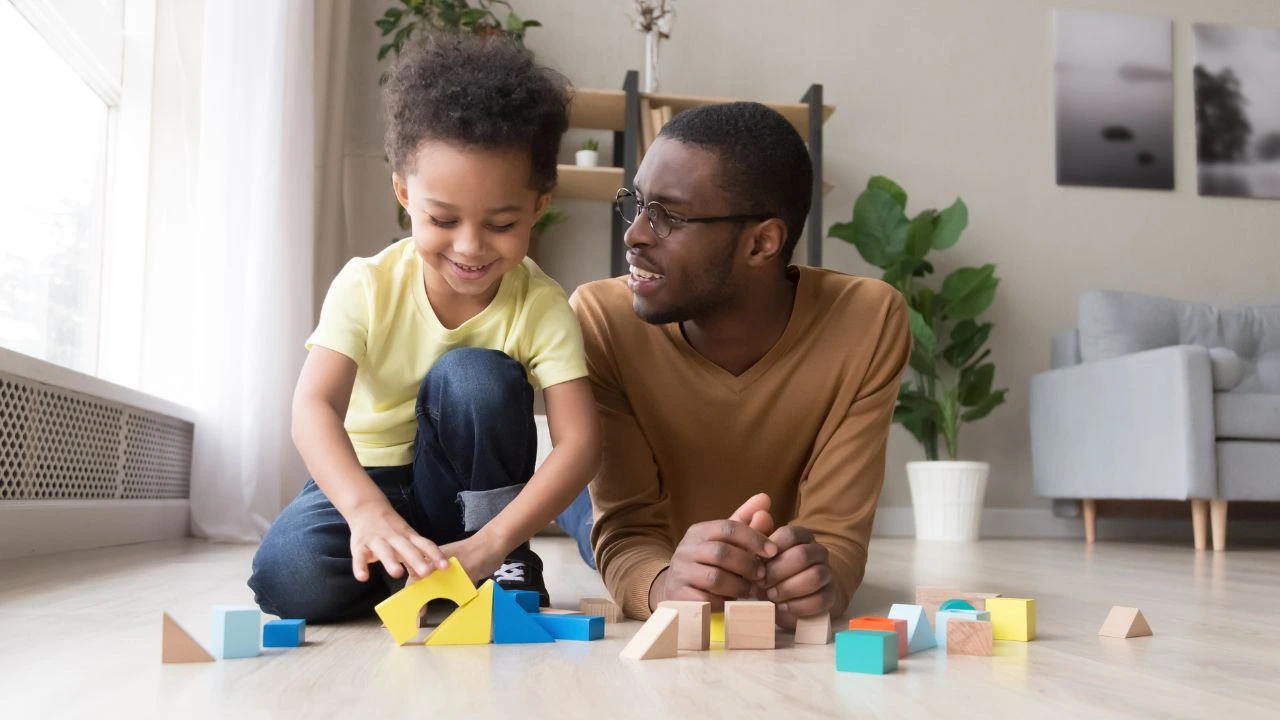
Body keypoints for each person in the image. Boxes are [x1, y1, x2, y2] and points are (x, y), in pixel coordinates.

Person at [249, 36, 600, 620]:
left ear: (538, 207)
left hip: (472, 501)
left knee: (475, 377)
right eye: (442, 219)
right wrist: (364, 511)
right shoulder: (367, 285)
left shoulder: (540, 305)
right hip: (370, 478)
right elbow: (313, 406)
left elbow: (580, 442)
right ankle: (414, 569)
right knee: (289, 580)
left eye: (502, 223)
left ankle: (494, 558)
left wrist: (493, 541)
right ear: (404, 195)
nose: (469, 246)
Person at [567, 102, 910, 628]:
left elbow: (836, 540)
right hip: (631, 516)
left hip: (750, 556)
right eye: (636, 204)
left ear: (761, 243)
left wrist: (818, 583)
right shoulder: (601, 318)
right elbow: (628, 527)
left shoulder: (867, 321)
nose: (634, 234)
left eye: (669, 215)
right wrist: (661, 586)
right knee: (572, 500)